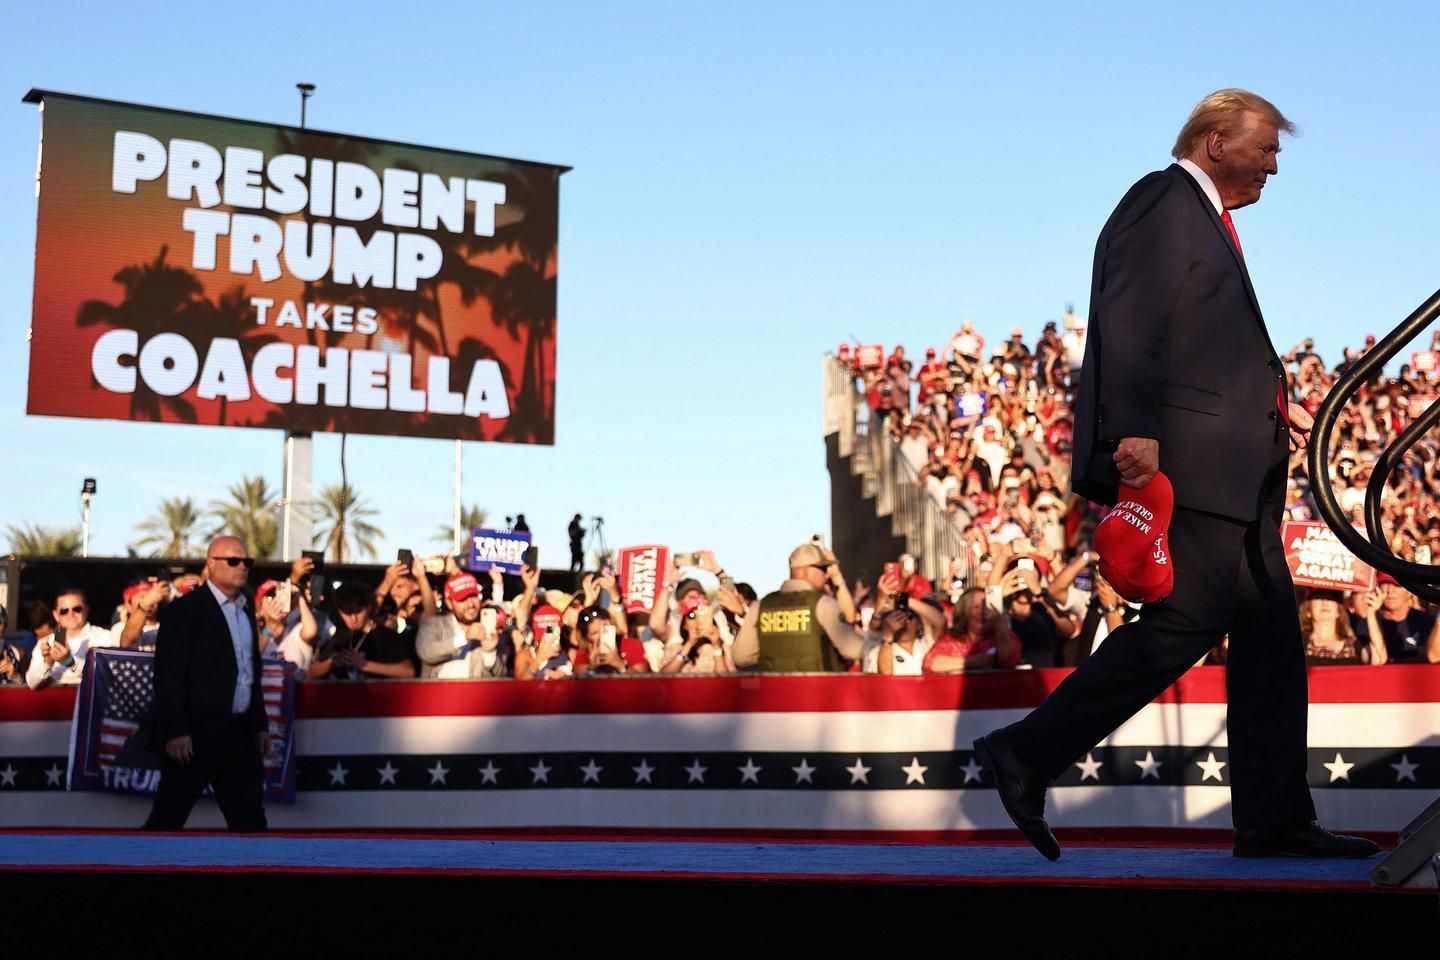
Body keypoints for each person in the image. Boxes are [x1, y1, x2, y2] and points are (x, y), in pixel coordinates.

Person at [975, 89, 1377, 861]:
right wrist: (1136, 433)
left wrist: (1274, 405)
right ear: (1216, 142)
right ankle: (1026, 752)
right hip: (1193, 468)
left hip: (1236, 469)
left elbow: (1202, 343)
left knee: (1267, 644)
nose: (1275, 165)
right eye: (1267, 149)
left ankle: (1274, 818)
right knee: (1186, 624)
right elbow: (1131, 319)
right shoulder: (1163, 199)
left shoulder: (1207, 225)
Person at [143, 536, 268, 832]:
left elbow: (250, 671)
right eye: (233, 561)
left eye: (246, 561)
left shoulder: (246, 609)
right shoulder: (184, 610)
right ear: (211, 564)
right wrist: (176, 731)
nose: (242, 567)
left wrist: (260, 723)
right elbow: (168, 676)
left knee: (251, 823)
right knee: (167, 820)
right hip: (194, 736)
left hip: (238, 735)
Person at [732, 542, 864, 671]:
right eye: (823, 569)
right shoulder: (823, 604)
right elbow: (855, 650)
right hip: (817, 690)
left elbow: (740, 657)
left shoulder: (760, 606)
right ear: (806, 571)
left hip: (775, 691)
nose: (827, 574)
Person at [307, 581, 418, 681]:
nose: (353, 619)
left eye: (358, 612)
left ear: (368, 607)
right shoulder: (340, 638)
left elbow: (408, 672)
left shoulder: (386, 636)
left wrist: (365, 664)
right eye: (347, 613)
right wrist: (330, 664)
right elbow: (309, 675)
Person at [25, 587, 114, 689]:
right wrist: (47, 663)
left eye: (77, 609)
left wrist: (69, 662)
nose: (71, 614)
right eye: (64, 611)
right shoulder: (45, 643)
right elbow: (32, 684)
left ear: (87, 610)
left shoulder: (105, 638)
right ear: (56, 615)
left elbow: (106, 678)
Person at [1352, 574, 1440, 664]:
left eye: (1397, 585)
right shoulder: (1367, 622)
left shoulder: (1426, 621)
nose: (1390, 590)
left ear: (1410, 591)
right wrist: (1371, 613)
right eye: (1385, 583)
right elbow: (1377, 659)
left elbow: (1434, 657)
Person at [1301, 589, 1378, 666]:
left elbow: (1378, 660)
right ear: (1308, 611)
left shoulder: (1354, 644)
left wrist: (1371, 612)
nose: (1325, 602)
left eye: (1330, 598)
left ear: (1338, 612)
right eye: (1318, 597)